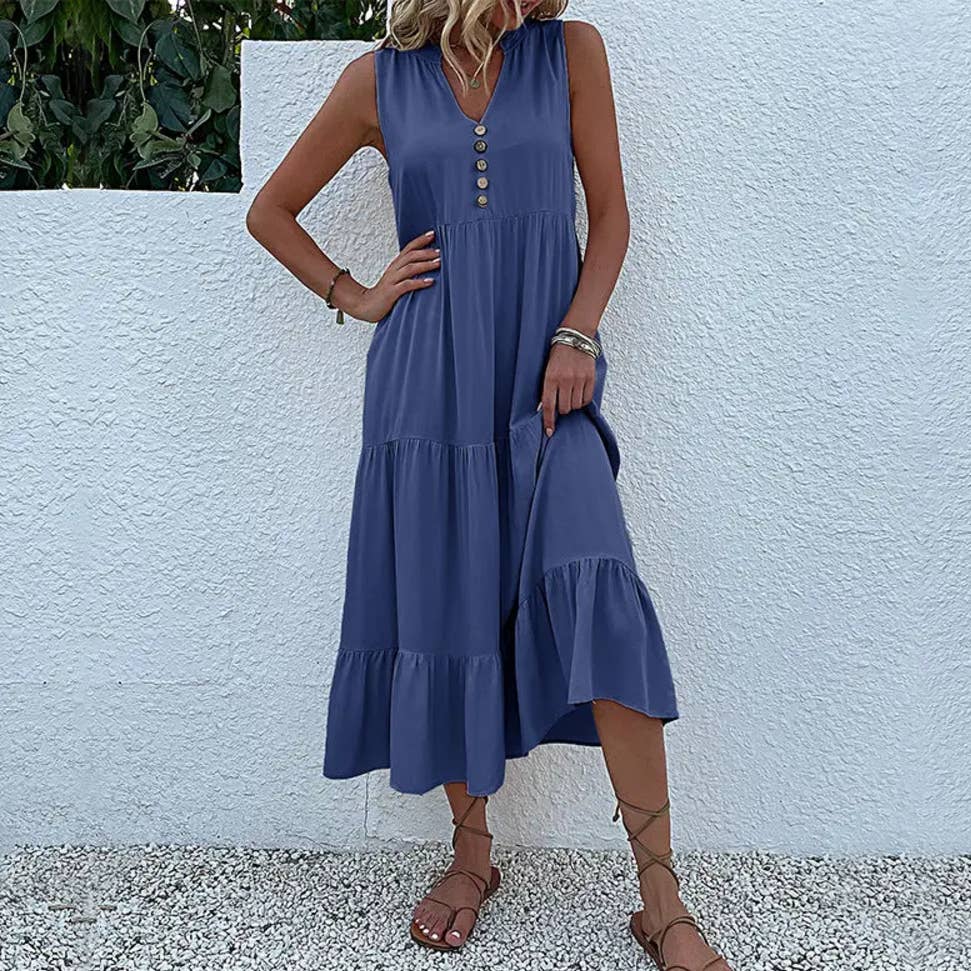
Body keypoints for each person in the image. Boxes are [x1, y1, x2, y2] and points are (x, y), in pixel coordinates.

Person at [246, 1, 730, 967]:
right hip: (426, 387)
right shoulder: (378, 82)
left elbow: (610, 214)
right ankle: (472, 858)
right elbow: (270, 211)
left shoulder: (570, 52)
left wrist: (578, 331)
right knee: (445, 608)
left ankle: (661, 899)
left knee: (598, 584)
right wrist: (356, 294)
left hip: (548, 383)